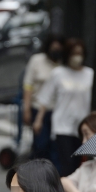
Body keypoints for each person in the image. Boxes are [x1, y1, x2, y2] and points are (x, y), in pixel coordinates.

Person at [34, 38, 92, 177]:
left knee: (80, 165)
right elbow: (45, 98)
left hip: (82, 126)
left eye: (80, 53)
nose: (77, 57)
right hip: (62, 125)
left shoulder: (90, 74)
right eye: (74, 53)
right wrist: (38, 119)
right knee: (67, 165)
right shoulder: (58, 73)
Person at [22, 35, 64, 164]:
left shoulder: (63, 64)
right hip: (38, 108)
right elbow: (28, 85)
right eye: (54, 48)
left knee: (56, 148)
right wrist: (26, 109)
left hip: (58, 111)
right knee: (41, 145)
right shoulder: (37, 60)